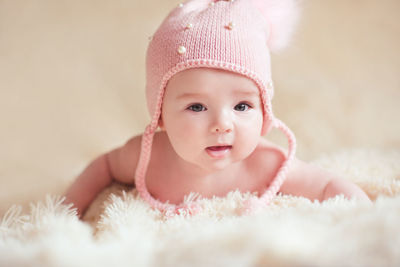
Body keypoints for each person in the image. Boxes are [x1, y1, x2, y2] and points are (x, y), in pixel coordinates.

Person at [64, 0, 370, 218]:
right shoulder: (147, 158)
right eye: (196, 106)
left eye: (242, 105)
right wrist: (68, 209)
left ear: (264, 109)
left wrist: (363, 213)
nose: (222, 124)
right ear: (160, 114)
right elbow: (104, 166)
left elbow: (327, 184)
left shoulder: (265, 164)